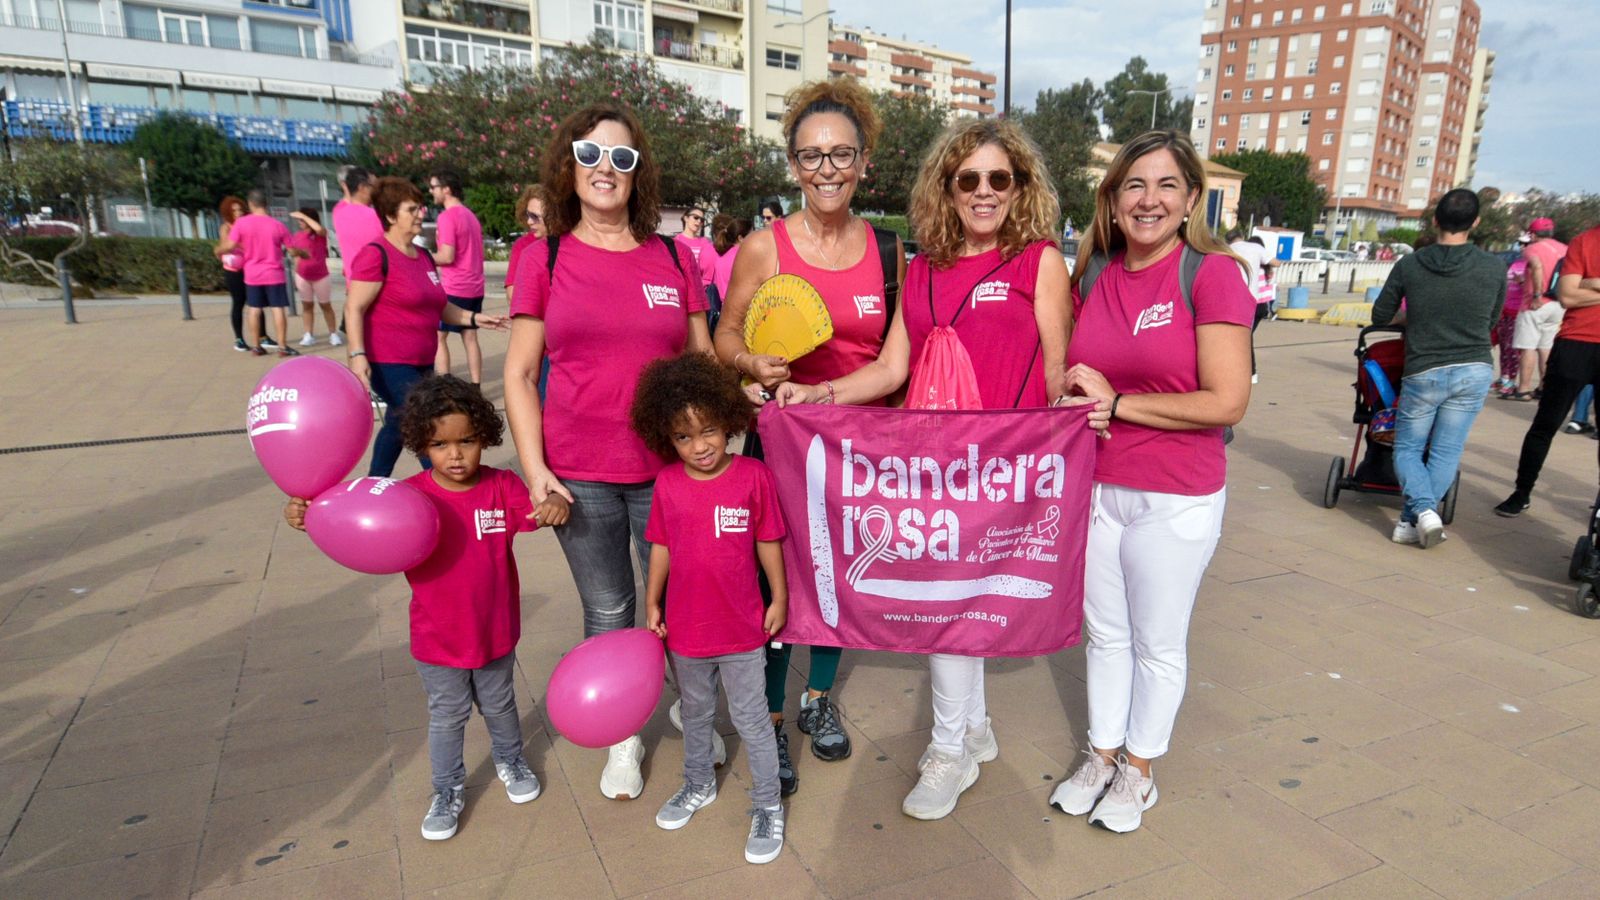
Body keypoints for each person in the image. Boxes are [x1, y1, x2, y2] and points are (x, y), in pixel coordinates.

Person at [775, 118, 1072, 819]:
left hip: (1006, 471)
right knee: (949, 606)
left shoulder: (1039, 262)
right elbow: (889, 368)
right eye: (968, 178)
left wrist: (1074, 427)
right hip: (936, 473)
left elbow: (1057, 373)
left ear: (1020, 185)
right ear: (947, 186)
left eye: (1000, 178)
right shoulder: (927, 268)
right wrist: (817, 394)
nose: (984, 192)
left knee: (954, 612)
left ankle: (950, 748)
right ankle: (967, 732)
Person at [1045, 131, 1253, 834]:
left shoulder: (1212, 273)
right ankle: (1102, 756)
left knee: (1157, 642)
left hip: (1177, 492)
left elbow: (1227, 400)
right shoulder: (1097, 270)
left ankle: (1140, 771)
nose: (1149, 200)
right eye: (1134, 185)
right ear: (1113, 198)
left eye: (1166, 185)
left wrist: (1119, 405)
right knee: (1103, 635)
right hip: (1100, 486)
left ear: (1191, 197)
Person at [503, 103, 711, 801]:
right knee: (610, 609)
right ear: (569, 165)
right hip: (578, 474)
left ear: (638, 174)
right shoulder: (545, 255)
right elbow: (520, 375)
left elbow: (701, 361)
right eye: (590, 155)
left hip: (666, 470)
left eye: (621, 159)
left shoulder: (673, 256)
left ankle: (696, 708)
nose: (604, 170)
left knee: (680, 601)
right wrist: (537, 475)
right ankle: (623, 737)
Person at [283, 375, 569, 841]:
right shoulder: (409, 496)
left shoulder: (502, 486)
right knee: (448, 715)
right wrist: (305, 512)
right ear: (421, 443)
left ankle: (511, 761)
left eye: (467, 441)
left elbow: (541, 509)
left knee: (500, 704)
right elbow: (347, 517)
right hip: (437, 639)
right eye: (439, 444)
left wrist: (556, 502)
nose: (455, 455)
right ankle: (447, 789)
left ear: (485, 437)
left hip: (495, 630)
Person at [715, 79, 900, 784]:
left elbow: (893, 356)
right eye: (812, 156)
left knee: (837, 582)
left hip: (859, 447)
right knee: (776, 580)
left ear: (862, 163)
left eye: (841, 155)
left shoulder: (888, 251)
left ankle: (817, 699)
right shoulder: (764, 247)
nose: (827, 169)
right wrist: (747, 362)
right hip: (781, 442)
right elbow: (726, 331)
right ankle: (768, 718)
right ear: (793, 165)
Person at [631, 352, 789, 865]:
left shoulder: (752, 476)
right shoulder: (668, 485)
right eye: (683, 436)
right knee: (695, 715)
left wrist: (780, 596)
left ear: (730, 423)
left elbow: (769, 541)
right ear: (665, 438)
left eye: (710, 431)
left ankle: (768, 804)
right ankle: (697, 784)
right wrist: (653, 599)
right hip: (687, 630)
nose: (699, 446)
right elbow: (661, 546)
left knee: (751, 720)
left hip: (742, 626)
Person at [1368, 189, 1505, 547]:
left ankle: (1421, 512)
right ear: (1475, 223)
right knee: (1446, 450)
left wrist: (1414, 319)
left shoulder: (1410, 264)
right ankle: (1414, 520)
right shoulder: (1493, 267)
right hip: (1474, 367)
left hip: (1424, 369)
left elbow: (1380, 315)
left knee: (1408, 448)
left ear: (1434, 221)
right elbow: (1492, 319)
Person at [346, 177, 508, 479]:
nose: (421, 213)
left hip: (422, 362)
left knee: (398, 423)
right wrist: (358, 355)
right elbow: (354, 307)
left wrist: (474, 319)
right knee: (424, 419)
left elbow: (440, 305)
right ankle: (444, 482)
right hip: (388, 362)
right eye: (412, 209)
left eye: (420, 207)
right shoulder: (376, 255)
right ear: (391, 216)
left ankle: (374, 483)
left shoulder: (422, 257)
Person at [1496, 223, 1600, 517]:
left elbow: (1576, 291)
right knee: (1545, 424)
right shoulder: (1584, 241)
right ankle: (1522, 491)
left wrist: (1591, 284)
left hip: (1578, 342)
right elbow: (1567, 296)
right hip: (1576, 343)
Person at [221, 190, 298, 358]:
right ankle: (282, 347)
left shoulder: (242, 224)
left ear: (250, 204)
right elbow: (292, 251)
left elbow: (229, 245)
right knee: (277, 309)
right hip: (274, 273)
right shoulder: (278, 225)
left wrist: (218, 249)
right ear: (266, 205)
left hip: (252, 274)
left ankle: (256, 346)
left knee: (254, 309)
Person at [429, 170, 488, 385]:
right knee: (470, 337)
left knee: (438, 336)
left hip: (455, 287)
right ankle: (475, 385)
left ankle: (443, 385)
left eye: (434, 186)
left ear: (446, 189)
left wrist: (422, 257)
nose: (431, 191)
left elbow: (447, 256)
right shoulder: (470, 216)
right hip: (475, 286)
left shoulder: (447, 217)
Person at [1508, 219, 1569, 401]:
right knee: (1546, 347)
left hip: (1535, 303)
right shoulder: (1565, 248)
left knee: (1528, 347)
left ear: (1533, 234)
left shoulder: (1532, 249)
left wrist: (1536, 294)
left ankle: (1523, 389)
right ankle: (1544, 387)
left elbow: (1537, 266)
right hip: (1558, 302)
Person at [1227, 229, 1277, 382]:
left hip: (1238, 301)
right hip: (1257, 303)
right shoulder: (1256, 249)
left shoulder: (1226, 251)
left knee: (1243, 337)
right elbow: (1276, 262)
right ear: (1241, 237)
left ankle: (1250, 372)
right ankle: (1247, 372)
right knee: (1244, 337)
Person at [287, 208, 337, 347]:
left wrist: (304, 215)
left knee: (325, 305)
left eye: (302, 219)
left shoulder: (320, 234)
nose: (299, 222)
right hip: (303, 275)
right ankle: (308, 334)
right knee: (307, 306)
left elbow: (319, 228)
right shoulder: (297, 236)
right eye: (299, 220)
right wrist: (296, 274)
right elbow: (296, 256)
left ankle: (333, 333)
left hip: (321, 275)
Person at [504, 184, 552, 306]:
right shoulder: (522, 245)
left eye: (535, 217)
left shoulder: (572, 242)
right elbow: (513, 294)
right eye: (528, 215)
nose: (529, 221)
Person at [215, 195, 250, 352]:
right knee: (238, 302)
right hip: (233, 270)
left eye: (240, 209)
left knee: (256, 303)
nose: (238, 212)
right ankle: (239, 338)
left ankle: (263, 336)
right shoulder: (226, 227)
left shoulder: (247, 225)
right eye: (234, 210)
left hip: (249, 267)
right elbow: (225, 246)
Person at [1494, 249, 1527, 396]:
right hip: (1505, 310)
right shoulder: (1515, 263)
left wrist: (1523, 282)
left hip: (1518, 311)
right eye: (1522, 243)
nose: (1523, 246)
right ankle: (1504, 376)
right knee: (1503, 346)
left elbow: (1536, 288)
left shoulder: (1532, 265)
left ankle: (1512, 380)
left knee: (1513, 349)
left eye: (1527, 243)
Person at [710, 213, 750, 301]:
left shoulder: (722, 256)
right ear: (740, 238)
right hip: (738, 307)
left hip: (723, 307)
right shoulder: (743, 256)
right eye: (751, 235)